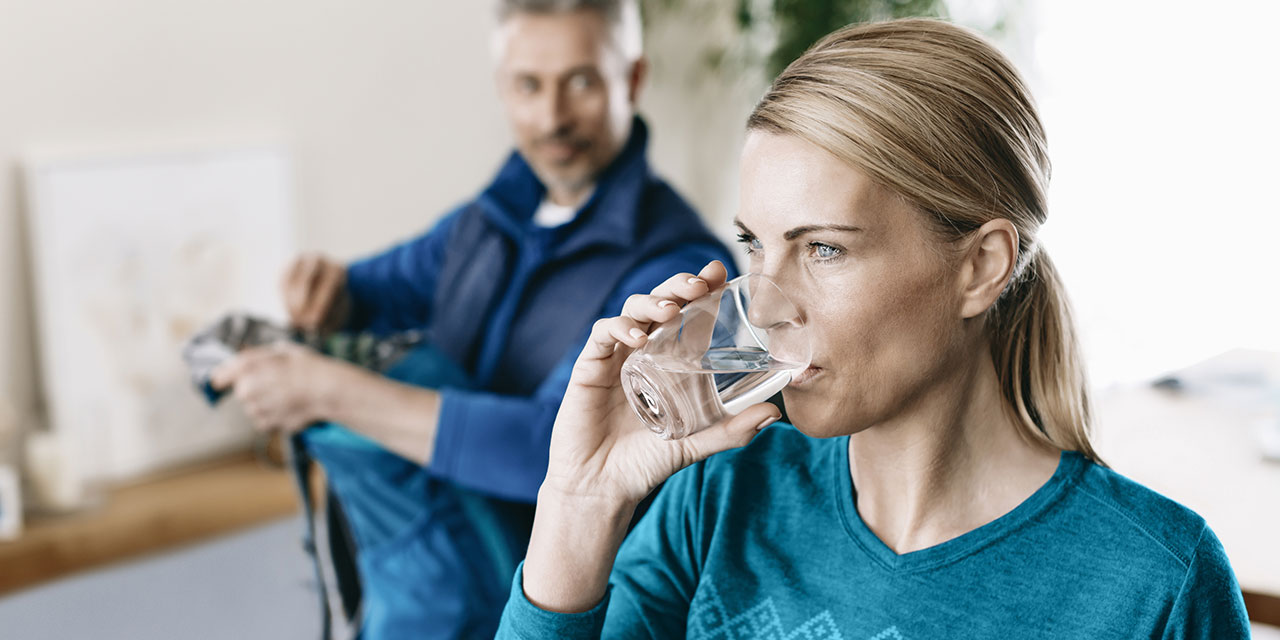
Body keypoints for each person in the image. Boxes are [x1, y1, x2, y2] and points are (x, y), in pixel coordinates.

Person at [496, 18, 1251, 639]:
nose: (762, 309)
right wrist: (579, 502)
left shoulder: (1154, 587)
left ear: (981, 267)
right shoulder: (720, 497)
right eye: (757, 244)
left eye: (825, 248)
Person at [210, 0, 736, 637]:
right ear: (502, 88)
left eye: (581, 82)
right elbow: (377, 289)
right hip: (428, 590)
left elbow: (552, 449)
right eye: (528, 85)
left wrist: (326, 390)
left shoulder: (679, 266)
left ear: (631, 79)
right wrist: (333, 292)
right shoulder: (490, 219)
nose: (552, 117)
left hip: (565, 609)